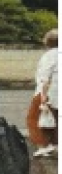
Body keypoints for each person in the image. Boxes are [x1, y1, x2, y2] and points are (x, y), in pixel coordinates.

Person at [28, 29, 58, 157]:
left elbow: (45, 78)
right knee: (56, 120)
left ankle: (42, 145)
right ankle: (54, 144)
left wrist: (43, 97)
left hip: (47, 92)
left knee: (33, 118)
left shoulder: (49, 56)